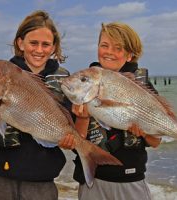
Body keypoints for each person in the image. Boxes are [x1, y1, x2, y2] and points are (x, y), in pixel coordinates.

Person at [0, 10, 74, 200]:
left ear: (54, 47)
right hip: (2, 177)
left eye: (45, 44)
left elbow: (70, 123)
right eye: (33, 43)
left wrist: (71, 140)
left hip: (42, 180)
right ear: (20, 43)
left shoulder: (65, 80)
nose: (39, 50)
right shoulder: (1, 73)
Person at [70, 22, 161, 200]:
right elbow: (76, 143)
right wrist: (82, 118)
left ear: (129, 55)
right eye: (104, 45)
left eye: (118, 48)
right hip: (93, 181)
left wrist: (142, 132)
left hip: (131, 181)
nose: (109, 52)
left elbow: (155, 141)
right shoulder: (84, 83)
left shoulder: (142, 87)